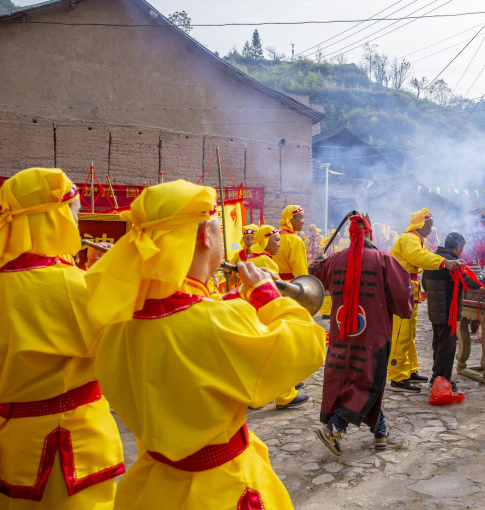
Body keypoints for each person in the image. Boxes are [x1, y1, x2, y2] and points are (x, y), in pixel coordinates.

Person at [84, 180, 326, 509]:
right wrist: (267, 297)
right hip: (221, 487)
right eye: (217, 227)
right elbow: (307, 345)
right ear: (204, 236)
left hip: (151, 488)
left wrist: (232, 302)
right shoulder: (219, 320)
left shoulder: (117, 323)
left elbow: (188, 321)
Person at [0, 168, 124, 509]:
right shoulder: (70, 285)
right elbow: (119, 349)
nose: (77, 220)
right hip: (68, 444)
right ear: (54, 216)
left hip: (13, 441)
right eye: (74, 211)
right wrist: (110, 281)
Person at [309, 214, 413, 455]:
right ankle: (335, 426)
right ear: (370, 235)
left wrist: (317, 261)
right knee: (369, 381)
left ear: (350, 235)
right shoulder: (384, 259)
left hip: (342, 334)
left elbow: (315, 274)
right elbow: (402, 294)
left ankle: (380, 433)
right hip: (372, 335)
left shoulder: (334, 260)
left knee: (357, 379)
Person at [389, 208, 460, 392]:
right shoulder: (409, 239)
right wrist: (443, 262)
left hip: (409, 289)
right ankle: (397, 376)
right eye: (429, 224)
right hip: (401, 289)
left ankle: (410, 371)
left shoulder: (416, 240)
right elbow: (419, 258)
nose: (431, 227)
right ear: (420, 224)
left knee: (410, 333)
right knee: (401, 334)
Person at [249, 224, 310, 409]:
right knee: (280, 351)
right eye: (275, 240)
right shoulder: (265, 261)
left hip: (259, 311)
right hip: (269, 310)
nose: (278, 244)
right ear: (265, 240)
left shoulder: (257, 258)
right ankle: (285, 395)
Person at [422, 232, 485, 391]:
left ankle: (437, 377)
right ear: (458, 247)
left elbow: (425, 284)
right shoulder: (451, 263)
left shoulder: (433, 259)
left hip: (435, 310)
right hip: (448, 310)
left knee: (438, 345)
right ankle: (442, 380)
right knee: (447, 347)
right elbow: (474, 282)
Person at [274, 204, 308, 281]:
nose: (303, 222)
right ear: (290, 219)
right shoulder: (295, 240)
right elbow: (300, 271)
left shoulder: (272, 236)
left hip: (272, 284)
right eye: (301, 218)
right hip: (289, 286)